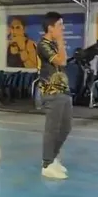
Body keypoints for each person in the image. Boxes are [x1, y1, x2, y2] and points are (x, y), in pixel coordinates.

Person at [37, 12, 72, 179]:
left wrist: (59, 42)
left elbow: (64, 60)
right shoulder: (43, 45)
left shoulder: (54, 44)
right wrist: (60, 40)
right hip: (51, 91)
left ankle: (52, 158)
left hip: (63, 90)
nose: (62, 28)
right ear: (50, 28)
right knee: (52, 129)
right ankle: (47, 164)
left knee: (65, 127)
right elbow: (61, 61)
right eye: (59, 25)